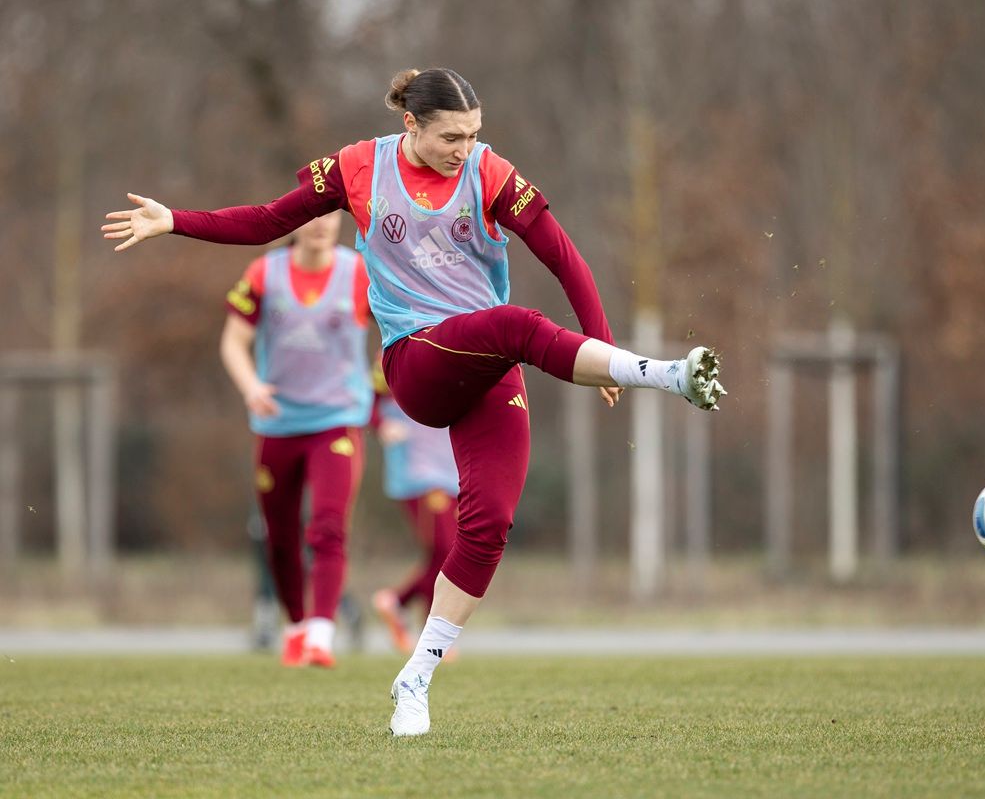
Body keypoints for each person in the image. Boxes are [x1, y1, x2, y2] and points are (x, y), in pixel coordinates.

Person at [103, 67, 726, 735]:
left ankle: (415, 679)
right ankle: (664, 376)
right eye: (451, 136)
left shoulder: (489, 174)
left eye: (474, 134)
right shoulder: (356, 168)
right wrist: (174, 220)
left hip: (489, 371)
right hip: (417, 363)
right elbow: (264, 221)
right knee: (514, 325)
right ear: (411, 125)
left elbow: (564, 255)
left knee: (486, 527)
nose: (465, 148)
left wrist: (599, 346)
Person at [219, 212, 372, 668]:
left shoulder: (361, 273)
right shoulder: (264, 273)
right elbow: (232, 341)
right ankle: (296, 627)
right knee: (280, 537)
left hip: (337, 420)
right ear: (295, 219)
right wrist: (251, 387)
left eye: (330, 215)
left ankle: (322, 637)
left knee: (327, 527)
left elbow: (401, 331)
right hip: (278, 424)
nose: (321, 224)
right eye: (311, 215)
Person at [369, 359, 460, 652]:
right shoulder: (395, 354)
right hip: (417, 472)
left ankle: (397, 603)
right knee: (446, 551)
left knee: (446, 553)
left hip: (451, 471)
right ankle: (431, 634)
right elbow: (365, 400)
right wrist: (382, 424)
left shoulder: (459, 347)